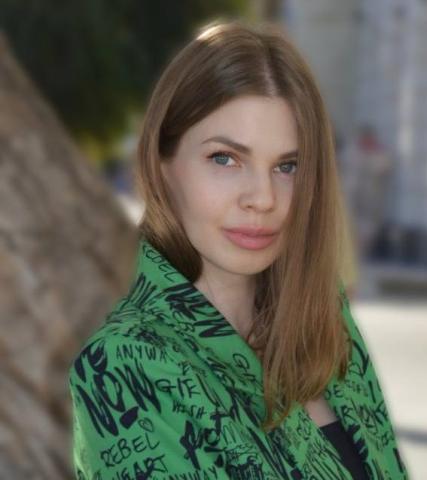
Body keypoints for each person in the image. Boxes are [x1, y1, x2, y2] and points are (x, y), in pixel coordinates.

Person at [67, 20, 409, 480]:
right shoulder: (122, 365)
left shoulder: (324, 314)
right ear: (162, 164)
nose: (263, 198)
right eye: (225, 159)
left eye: (288, 166)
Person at [339, 124, 393, 263]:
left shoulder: (379, 153)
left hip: (371, 200)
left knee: (368, 228)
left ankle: (360, 254)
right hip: (351, 196)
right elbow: (346, 166)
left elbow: (384, 167)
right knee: (350, 224)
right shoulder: (352, 151)